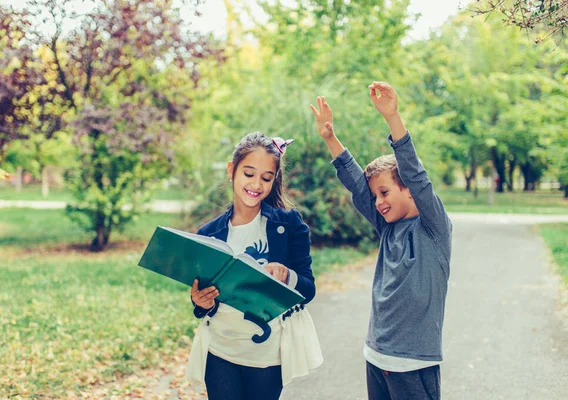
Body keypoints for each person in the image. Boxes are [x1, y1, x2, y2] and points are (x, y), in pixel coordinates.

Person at [310, 82, 452, 400]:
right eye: (376, 196)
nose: (378, 202)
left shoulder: (433, 226)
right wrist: (330, 138)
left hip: (413, 363)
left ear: (409, 190)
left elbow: (415, 172)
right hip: (376, 356)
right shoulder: (387, 228)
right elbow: (356, 185)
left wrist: (392, 117)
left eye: (384, 192)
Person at [188, 132, 318, 400]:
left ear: (274, 180)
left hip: (267, 357)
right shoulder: (209, 233)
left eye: (266, 178)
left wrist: (287, 275)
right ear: (231, 170)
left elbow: (308, 289)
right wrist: (201, 302)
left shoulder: (288, 225)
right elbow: (205, 300)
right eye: (249, 174)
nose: (256, 184)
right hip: (220, 352)